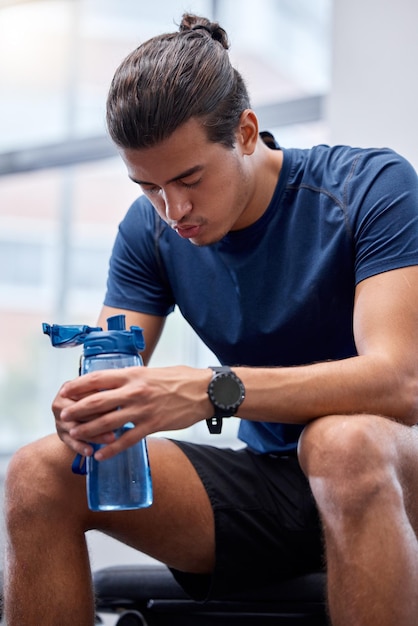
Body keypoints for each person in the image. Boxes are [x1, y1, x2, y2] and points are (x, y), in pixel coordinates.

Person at [3, 13, 418, 626]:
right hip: (275, 484)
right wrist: (88, 407)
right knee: (36, 474)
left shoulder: (370, 187)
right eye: (148, 187)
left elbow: (401, 383)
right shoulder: (149, 231)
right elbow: (112, 377)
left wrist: (208, 392)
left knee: (343, 442)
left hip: (390, 470)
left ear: (246, 132)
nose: (174, 210)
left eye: (190, 179)